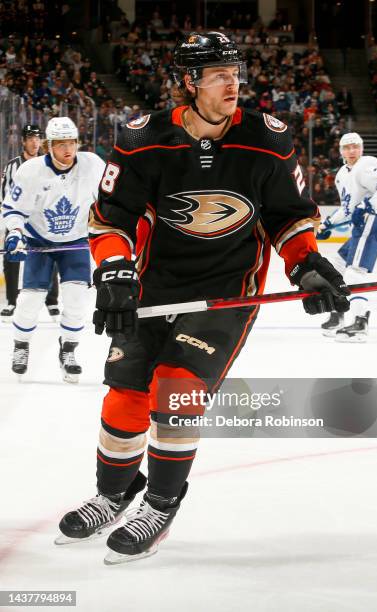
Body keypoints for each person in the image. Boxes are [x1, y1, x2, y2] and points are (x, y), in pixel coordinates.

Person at [56, 32, 350, 564]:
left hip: (226, 290)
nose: (232, 82)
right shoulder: (144, 139)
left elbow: (289, 215)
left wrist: (306, 264)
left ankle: (162, 503)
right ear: (189, 83)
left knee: (177, 388)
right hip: (156, 285)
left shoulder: (267, 139)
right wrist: (116, 271)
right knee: (125, 394)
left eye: (235, 72)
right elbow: (110, 218)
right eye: (218, 74)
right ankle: (112, 493)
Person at [2, 117, 106, 381]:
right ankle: (21, 345)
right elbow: (13, 208)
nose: (67, 149)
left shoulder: (92, 165)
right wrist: (14, 232)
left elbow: (110, 198)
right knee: (29, 300)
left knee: (76, 299)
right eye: (60, 144)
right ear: (49, 146)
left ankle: (68, 349)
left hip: (76, 241)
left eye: (71, 142)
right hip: (39, 241)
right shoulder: (31, 170)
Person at [318, 132, 377, 341]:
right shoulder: (341, 175)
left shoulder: (367, 164)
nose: (352, 151)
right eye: (347, 147)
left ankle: (360, 322)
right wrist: (328, 224)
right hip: (366, 221)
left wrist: (367, 206)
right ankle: (339, 312)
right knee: (336, 264)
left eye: (355, 146)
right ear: (341, 151)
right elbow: (348, 209)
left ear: (361, 148)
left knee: (354, 271)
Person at [1, 124, 60, 322]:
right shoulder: (12, 166)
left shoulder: (49, 164)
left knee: (50, 255)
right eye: (31, 138)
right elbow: (5, 194)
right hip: (19, 218)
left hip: (43, 221)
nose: (35, 142)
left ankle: (51, 300)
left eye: (37, 138)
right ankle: (11, 301)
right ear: (24, 141)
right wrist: (11, 221)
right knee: (12, 256)